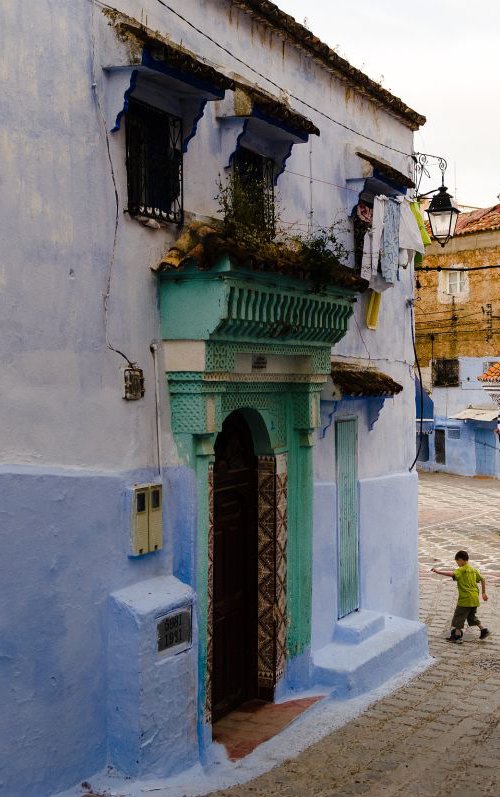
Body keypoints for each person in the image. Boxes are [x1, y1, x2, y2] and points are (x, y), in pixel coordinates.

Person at [431, 550, 490, 643]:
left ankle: (457, 636)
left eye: (457, 562)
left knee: (458, 617)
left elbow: (452, 574)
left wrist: (438, 572)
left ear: (461, 560)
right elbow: (482, 579)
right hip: (474, 599)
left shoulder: (461, 569)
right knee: (471, 617)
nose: (457, 564)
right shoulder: (473, 570)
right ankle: (484, 630)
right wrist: (483, 593)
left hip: (465, 599)